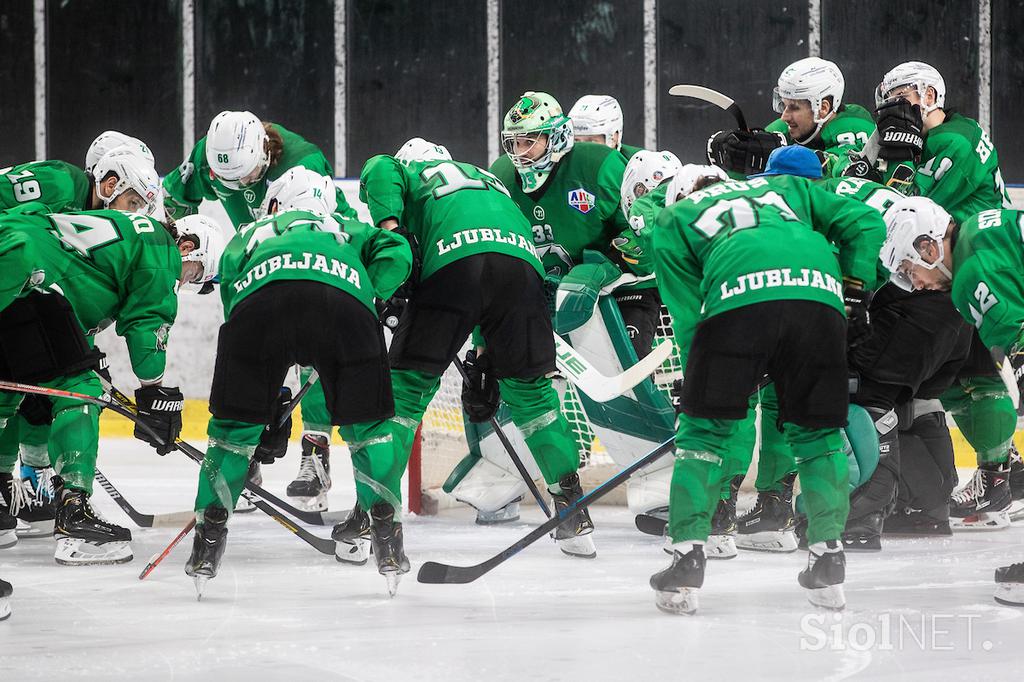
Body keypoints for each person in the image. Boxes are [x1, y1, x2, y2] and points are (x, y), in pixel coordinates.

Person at [647, 166, 886, 614]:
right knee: (818, 438)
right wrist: (854, 291)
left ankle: (686, 560)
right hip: (818, 298)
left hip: (736, 305)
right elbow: (866, 223)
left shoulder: (672, 219)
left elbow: (687, 316)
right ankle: (828, 559)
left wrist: (708, 377)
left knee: (703, 438)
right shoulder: (787, 186)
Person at [359, 138, 598, 558]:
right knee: (534, 398)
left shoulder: (412, 173)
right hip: (521, 270)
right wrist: (486, 354)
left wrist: (392, 233)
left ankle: (375, 516)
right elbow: (494, 262)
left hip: (453, 264)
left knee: (404, 395)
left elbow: (380, 165)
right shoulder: (489, 180)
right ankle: (573, 510)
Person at [186, 168, 411, 595]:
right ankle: (387, 536)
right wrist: (367, 292)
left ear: (279, 203)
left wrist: (259, 393)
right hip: (342, 304)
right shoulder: (347, 226)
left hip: (261, 306)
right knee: (371, 432)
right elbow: (397, 251)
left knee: (231, 437)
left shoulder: (254, 230)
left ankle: (207, 540)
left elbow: (232, 282)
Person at [0, 206, 222, 565]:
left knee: (9, 392)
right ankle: (75, 518)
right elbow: (146, 322)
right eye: (193, 274)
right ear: (187, 246)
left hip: (15, 263)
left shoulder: (123, 234)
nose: (182, 283)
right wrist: (154, 393)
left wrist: (85, 352)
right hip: (26, 270)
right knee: (78, 388)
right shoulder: (160, 244)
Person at [163, 110, 359, 509]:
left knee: (314, 355)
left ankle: (316, 453)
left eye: (247, 179)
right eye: (227, 184)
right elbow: (172, 202)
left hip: (309, 258)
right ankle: (245, 452)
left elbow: (338, 226)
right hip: (253, 260)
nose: (238, 188)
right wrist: (169, 253)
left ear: (264, 154)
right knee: (245, 350)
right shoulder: (211, 157)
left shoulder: (303, 163)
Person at [874, 62, 1018, 530]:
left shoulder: (949, 143)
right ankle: (1007, 470)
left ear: (930, 95)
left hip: (974, 264)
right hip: (971, 257)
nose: (899, 106)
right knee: (954, 379)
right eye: (891, 97)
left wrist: (892, 163)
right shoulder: (959, 130)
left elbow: (914, 206)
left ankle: (1001, 477)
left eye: (907, 96)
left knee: (982, 375)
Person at [879, 198, 1024, 604]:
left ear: (929, 247)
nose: (917, 283)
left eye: (910, 270)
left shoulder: (968, 275)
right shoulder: (980, 226)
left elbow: (1015, 335)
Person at [708, 57, 875, 177]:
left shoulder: (855, 127)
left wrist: (773, 158)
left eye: (794, 107)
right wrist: (733, 157)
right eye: (784, 104)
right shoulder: (789, 127)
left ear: (823, 108)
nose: (784, 117)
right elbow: (756, 156)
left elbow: (838, 172)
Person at [0, 149, 160, 216]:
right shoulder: (61, 185)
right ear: (111, 185)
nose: (133, 214)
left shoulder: (85, 203)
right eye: (133, 203)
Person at [569, 94, 644, 159]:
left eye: (591, 142)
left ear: (614, 138)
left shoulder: (637, 168)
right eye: (576, 141)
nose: (582, 150)